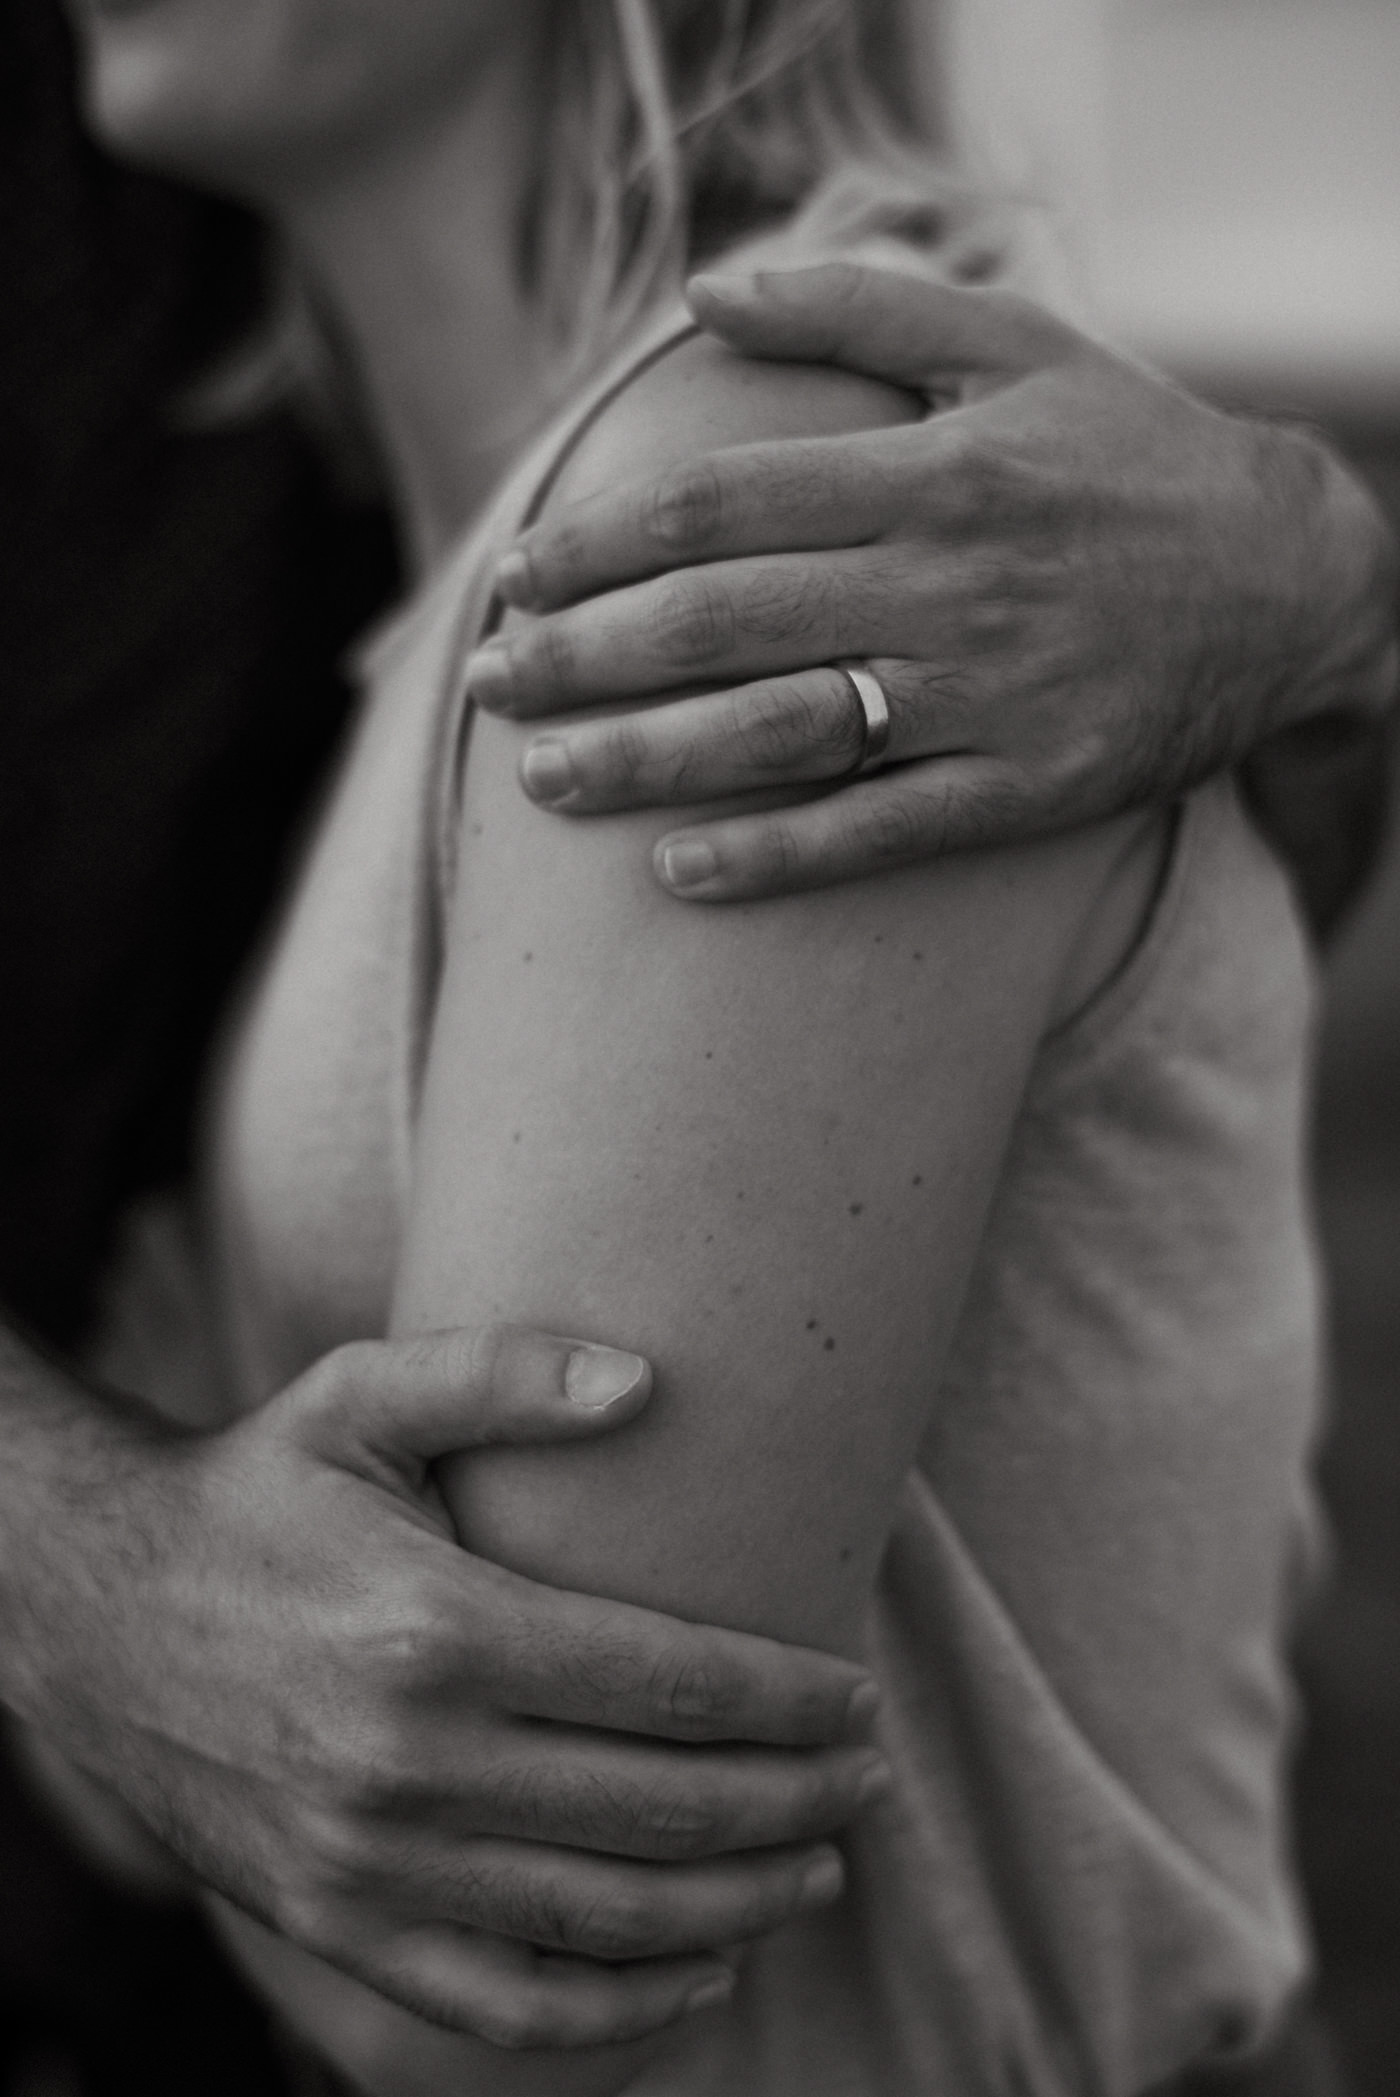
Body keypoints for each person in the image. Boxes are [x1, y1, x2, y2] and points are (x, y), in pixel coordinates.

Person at [2, 2, 1393, 2093]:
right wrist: (122, 1581)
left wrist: (168, 1476)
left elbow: (474, 1978)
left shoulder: (778, 497)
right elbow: (197, 1757)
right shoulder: (415, 591)